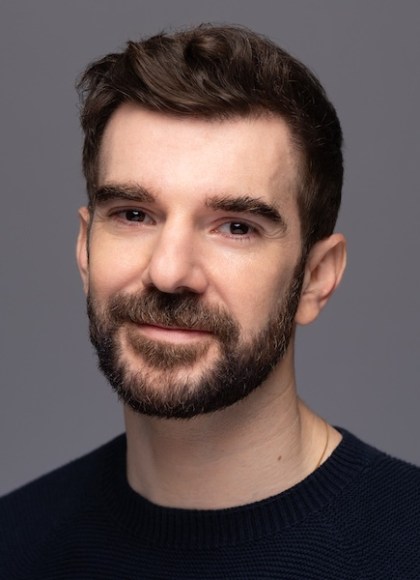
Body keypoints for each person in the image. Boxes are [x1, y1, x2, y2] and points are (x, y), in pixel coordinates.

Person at [1, 24, 419, 579]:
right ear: (85, 249)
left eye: (236, 227)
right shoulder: (15, 543)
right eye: (133, 214)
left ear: (316, 278)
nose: (169, 272)